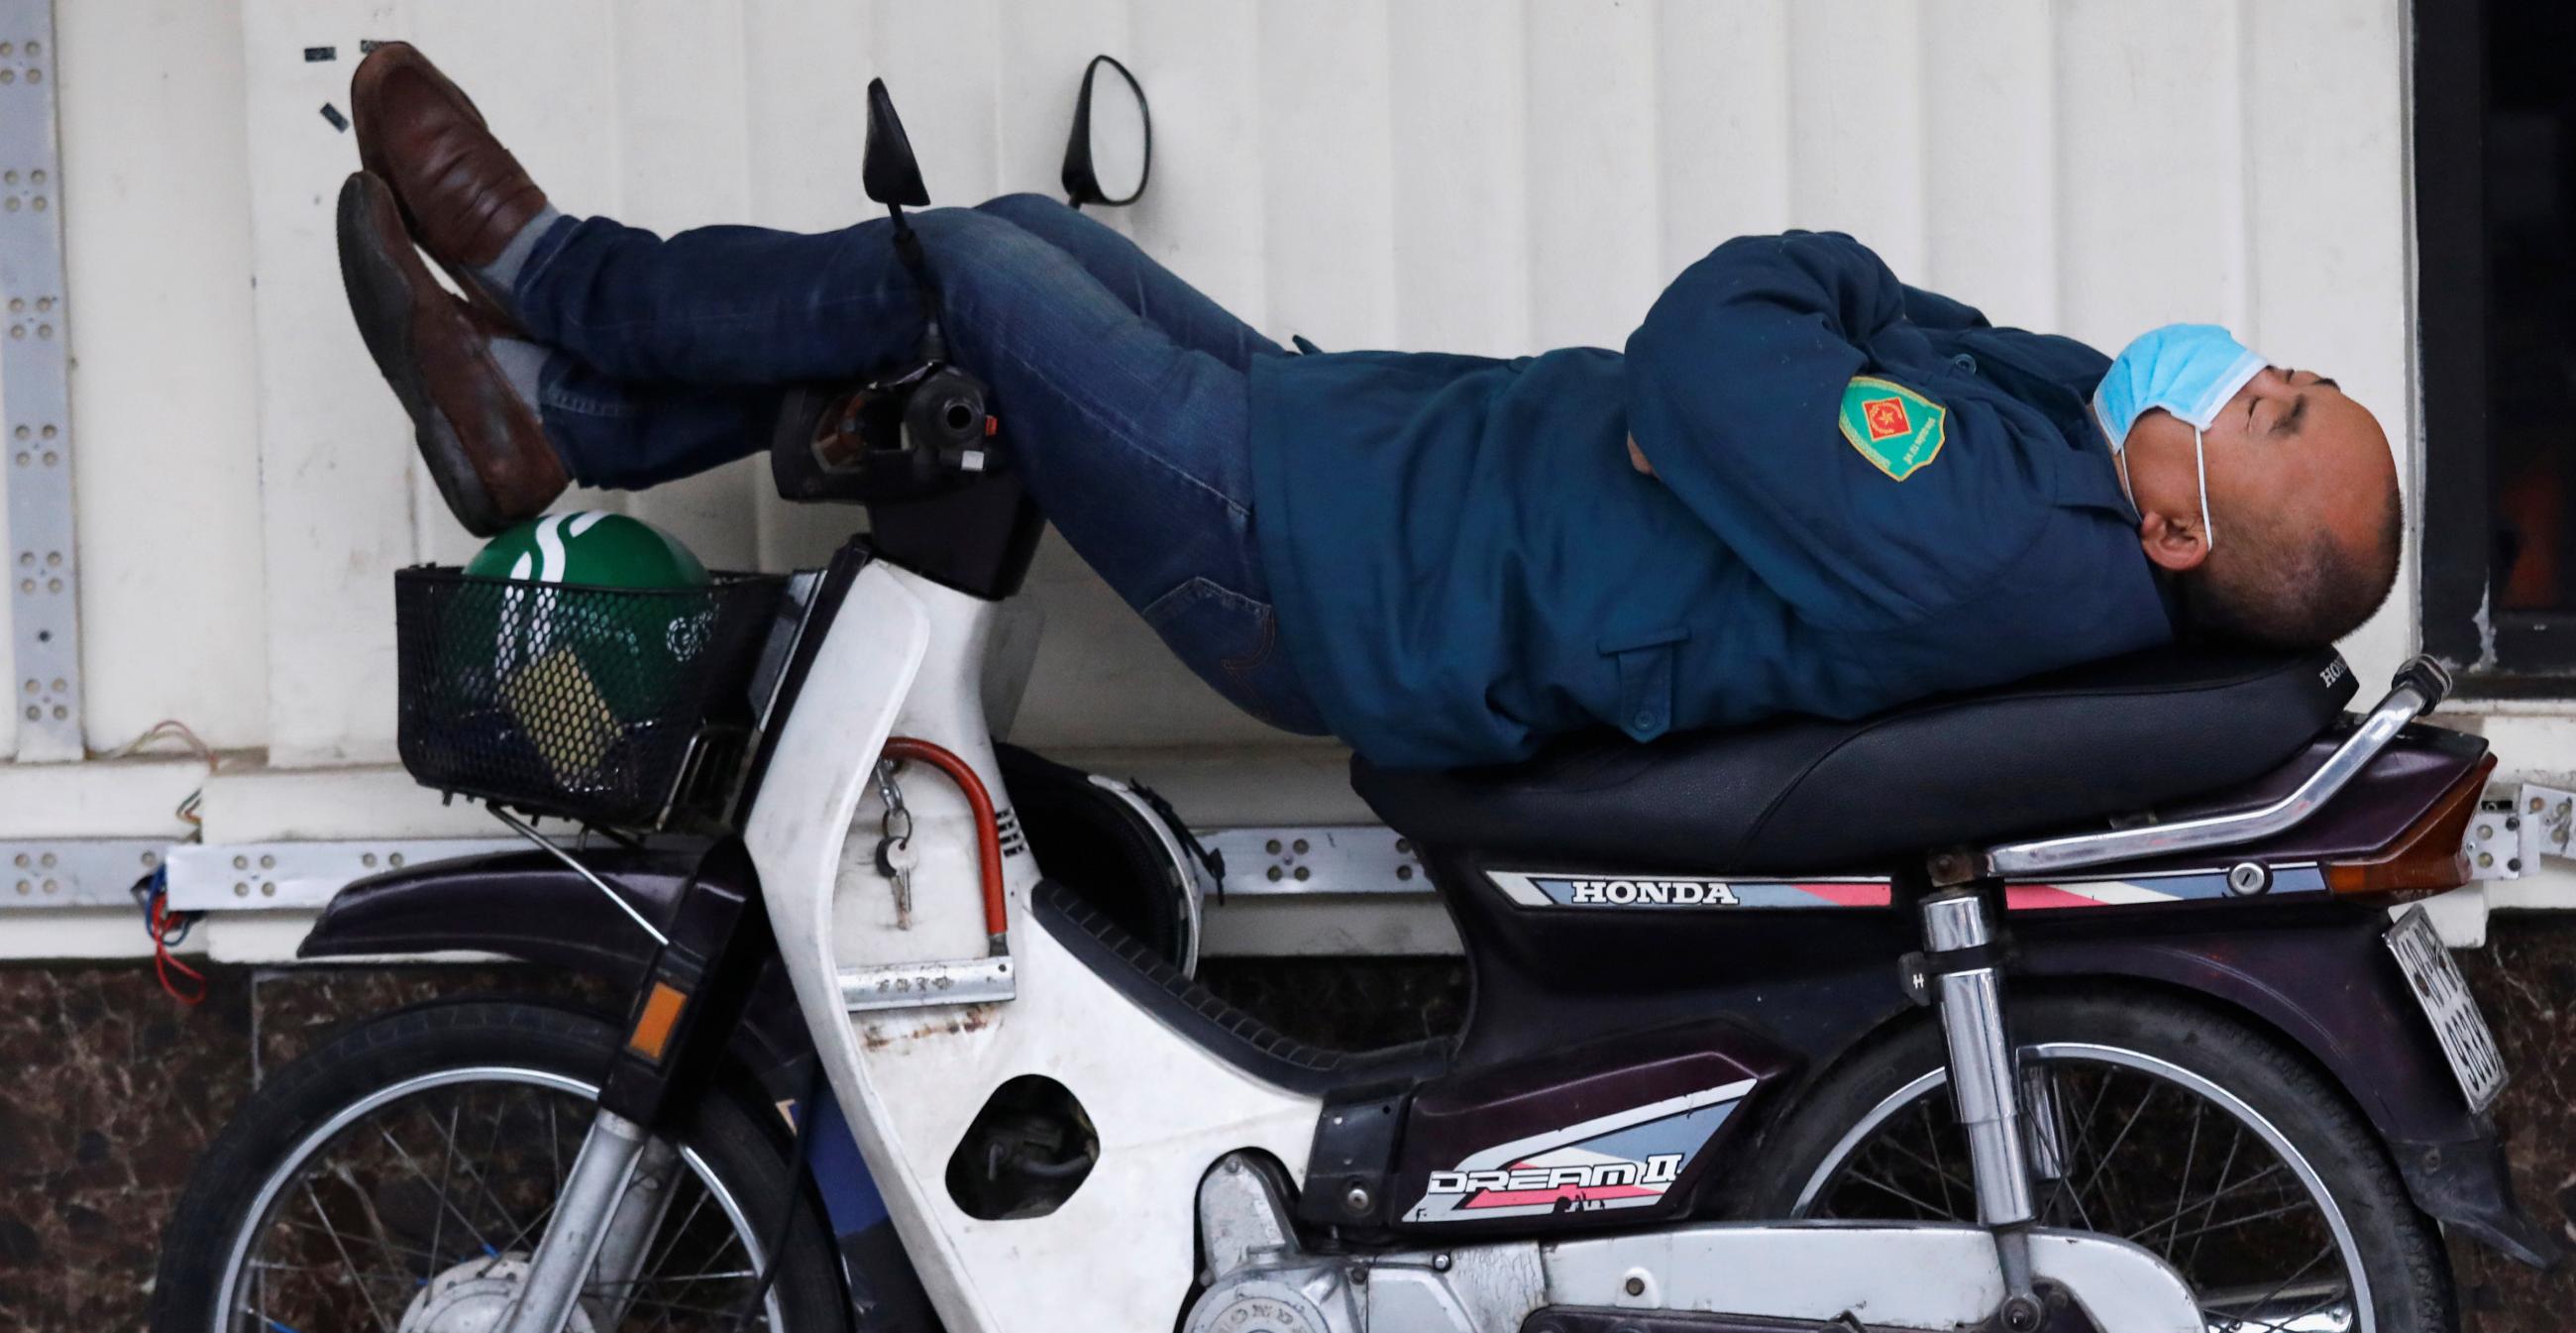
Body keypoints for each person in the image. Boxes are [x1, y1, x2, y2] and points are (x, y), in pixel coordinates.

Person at [341, 45, 2402, 772]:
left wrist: (1842, 293)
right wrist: (1910, 342)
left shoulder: (1984, 526)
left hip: (1328, 562)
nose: (2242, 366)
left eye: (2271, 407)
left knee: (975, 262)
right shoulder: (2050, 488)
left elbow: (1712, 348)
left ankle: (554, 279)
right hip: (1378, 473)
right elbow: (1943, 354)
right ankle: (563, 422)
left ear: (2180, 531)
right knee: (1006, 277)